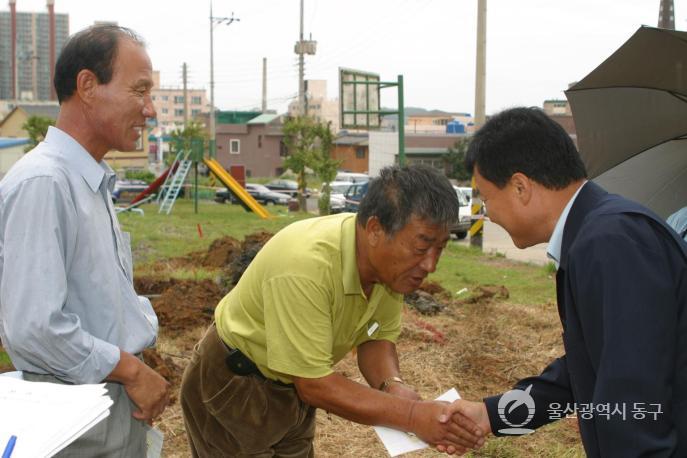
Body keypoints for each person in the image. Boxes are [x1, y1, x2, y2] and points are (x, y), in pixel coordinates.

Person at [180, 165, 486, 457]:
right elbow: (314, 385)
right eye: (421, 248)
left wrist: (392, 386)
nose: (430, 265)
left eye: (441, 248)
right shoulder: (305, 266)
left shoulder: (388, 269)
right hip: (236, 383)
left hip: (290, 389)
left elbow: (374, 339)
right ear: (376, 230)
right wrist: (411, 415)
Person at [448, 107, 687, 457]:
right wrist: (490, 414)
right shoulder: (594, 235)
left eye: (486, 197)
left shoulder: (611, 240)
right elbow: (586, 365)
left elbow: (632, 394)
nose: (488, 213)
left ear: (520, 187)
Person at [0, 25, 169, 456]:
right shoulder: (45, 182)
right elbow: (35, 327)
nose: (150, 109)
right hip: (75, 418)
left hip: (106, 405)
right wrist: (131, 370)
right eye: (140, 90)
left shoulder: (88, 182)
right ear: (88, 86)